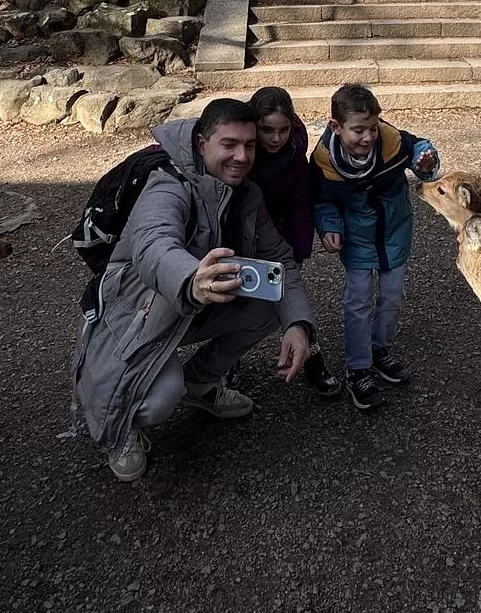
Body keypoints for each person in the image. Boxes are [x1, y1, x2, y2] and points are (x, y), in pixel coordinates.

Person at [72, 99, 317, 482]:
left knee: (270, 301)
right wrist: (191, 279)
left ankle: (201, 385)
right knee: (159, 400)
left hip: (195, 306)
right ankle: (122, 430)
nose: (241, 156)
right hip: (140, 315)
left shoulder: (247, 195)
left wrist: (298, 325)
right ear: (202, 144)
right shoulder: (167, 184)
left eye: (249, 145)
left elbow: (281, 264)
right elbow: (154, 243)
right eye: (229, 144)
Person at [310, 82, 440, 412]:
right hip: (356, 238)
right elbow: (322, 200)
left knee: (393, 296)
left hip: (394, 231)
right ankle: (358, 368)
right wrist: (329, 227)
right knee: (357, 301)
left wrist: (425, 161)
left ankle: (379, 348)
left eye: (372, 127)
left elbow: (419, 151)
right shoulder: (325, 161)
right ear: (336, 127)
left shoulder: (391, 141)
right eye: (358, 131)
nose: (367, 137)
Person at [247, 85, 342, 400]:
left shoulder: (293, 155)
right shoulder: (242, 150)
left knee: (292, 297)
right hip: (243, 234)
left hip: (280, 236)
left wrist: (299, 247)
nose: (275, 138)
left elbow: (301, 203)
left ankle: (313, 357)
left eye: (282, 130)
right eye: (267, 130)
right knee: (238, 297)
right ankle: (226, 366)